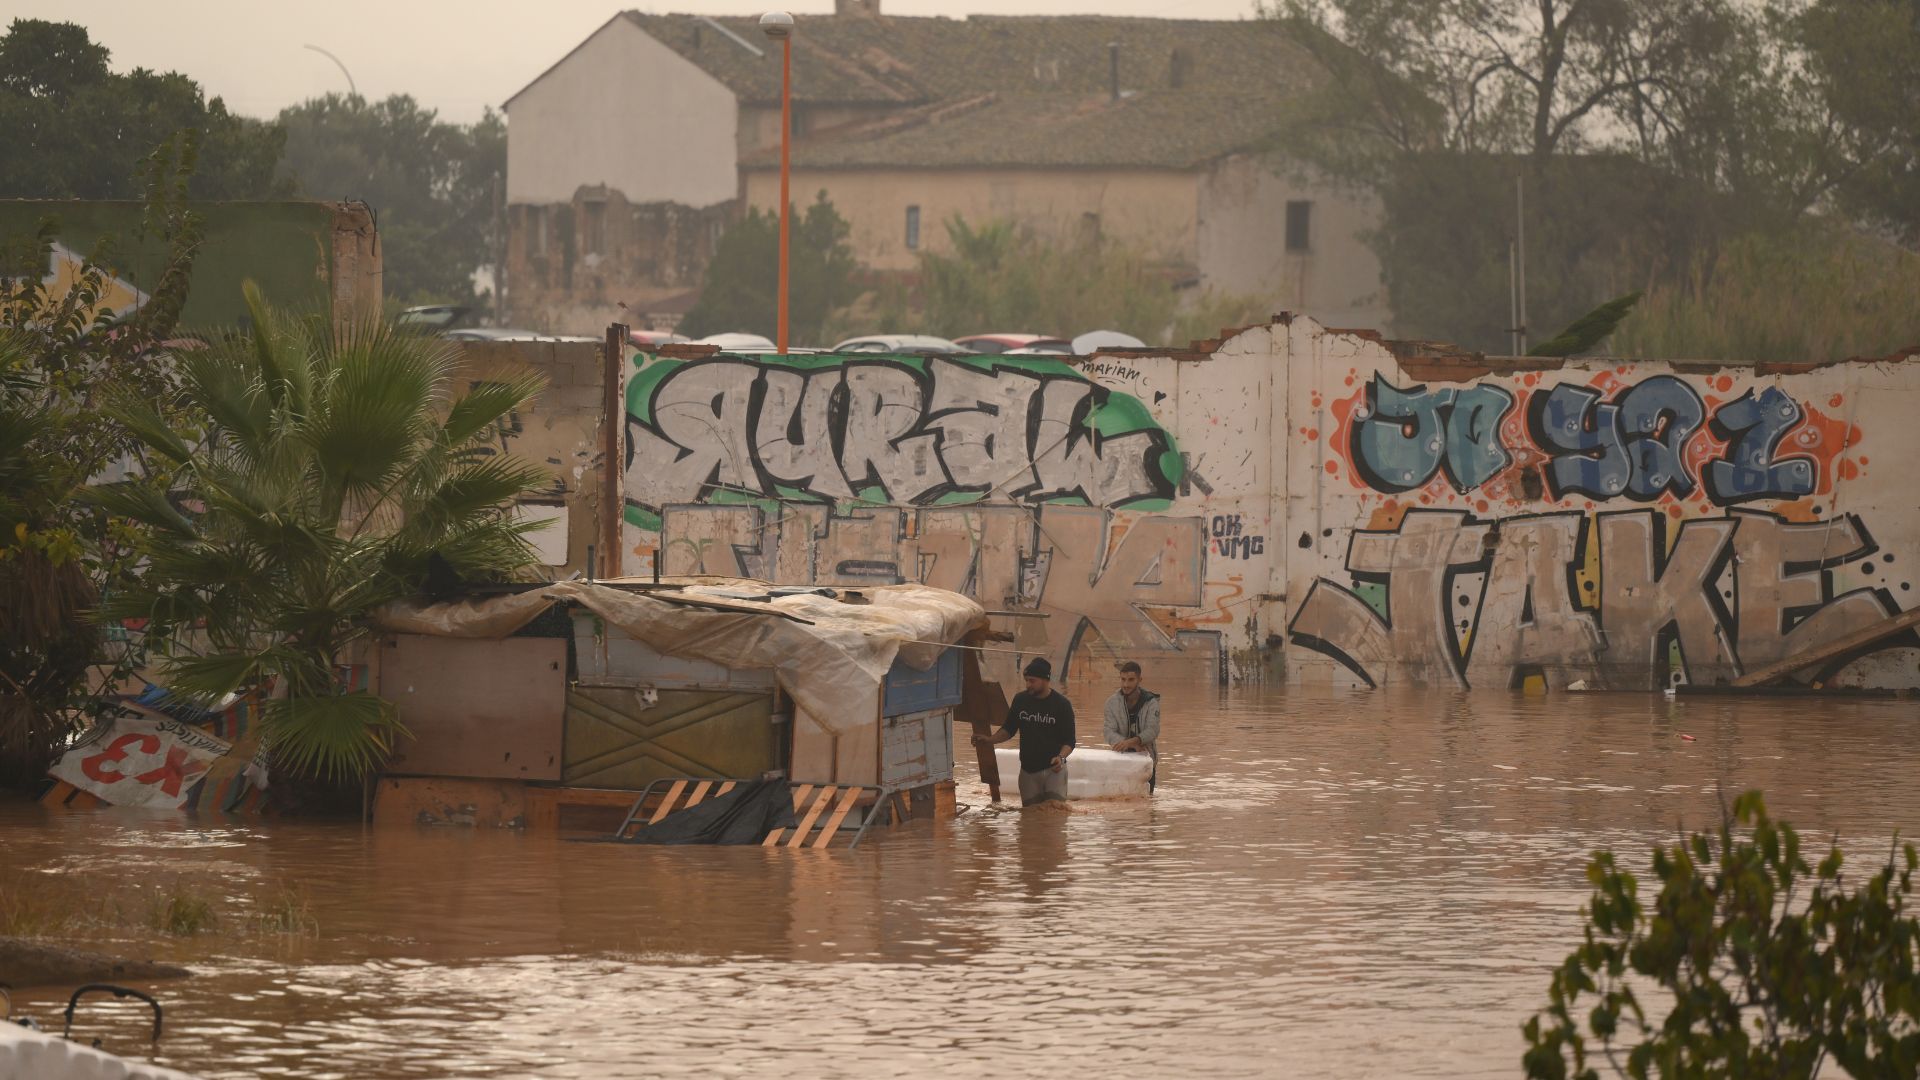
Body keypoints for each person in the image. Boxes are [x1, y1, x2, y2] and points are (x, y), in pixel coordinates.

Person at [974, 657, 1076, 805]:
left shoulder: (1062, 705)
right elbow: (1009, 729)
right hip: (1028, 771)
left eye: (1032, 681)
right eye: (1026, 680)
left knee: (1055, 817)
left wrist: (1061, 758)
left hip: (1054, 771)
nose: (1028, 685)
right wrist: (989, 740)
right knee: (1029, 818)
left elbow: (1070, 741)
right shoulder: (1020, 700)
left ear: (1045, 680)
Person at [1103, 660, 1160, 792]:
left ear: (1139, 680)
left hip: (1147, 759)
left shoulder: (1151, 702)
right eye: (1123, 679)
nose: (1126, 684)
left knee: (1147, 804)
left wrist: (1135, 741)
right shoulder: (1111, 703)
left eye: (1130, 680)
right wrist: (1129, 744)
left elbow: (1153, 730)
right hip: (1121, 759)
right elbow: (1108, 731)